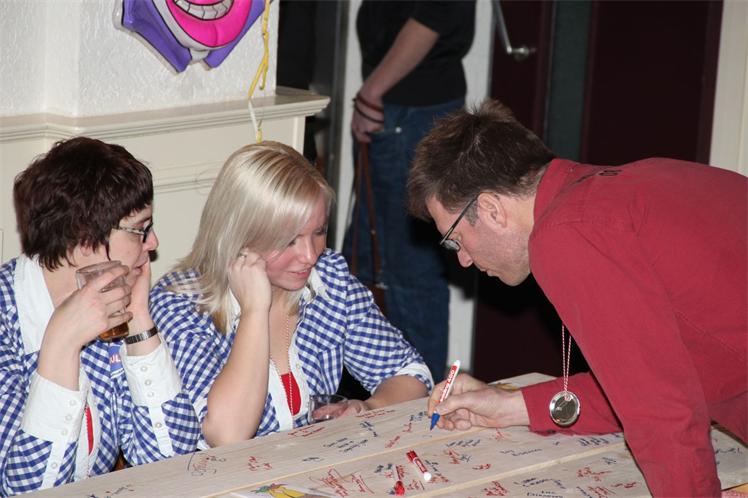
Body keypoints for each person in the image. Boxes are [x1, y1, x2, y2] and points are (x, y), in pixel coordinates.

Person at [408, 99, 747, 497]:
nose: (463, 259)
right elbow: (647, 382)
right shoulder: (628, 185)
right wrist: (510, 407)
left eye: (455, 240)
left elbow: (659, 412)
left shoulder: (570, 234)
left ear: (491, 209)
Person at [149, 141, 432, 448]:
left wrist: (368, 408)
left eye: (319, 232)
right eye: (289, 240)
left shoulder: (328, 277)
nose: (310, 255)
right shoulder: (180, 304)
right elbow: (226, 435)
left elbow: (411, 374)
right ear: (239, 235)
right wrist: (255, 310)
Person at [0, 137, 198, 495]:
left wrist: (139, 319)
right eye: (140, 229)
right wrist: (61, 345)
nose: (153, 243)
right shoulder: (7, 317)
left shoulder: (111, 304)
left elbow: (173, 459)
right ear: (84, 238)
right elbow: (26, 490)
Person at [343, 0, 476, 382]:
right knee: (368, 260)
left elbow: (433, 16)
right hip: (404, 107)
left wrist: (372, 92)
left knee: (407, 268)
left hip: (409, 109)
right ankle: (386, 391)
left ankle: (419, 398)